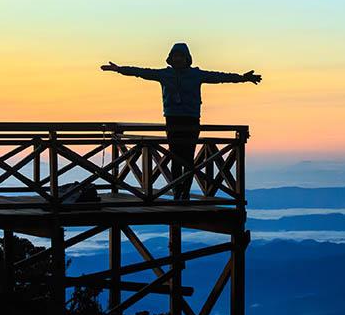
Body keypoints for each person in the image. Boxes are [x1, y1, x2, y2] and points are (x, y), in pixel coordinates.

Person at [101, 42, 260, 199]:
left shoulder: (196, 75)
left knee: (188, 158)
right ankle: (178, 191)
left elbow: (219, 77)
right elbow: (141, 72)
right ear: (171, 58)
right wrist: (119, 69)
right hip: (173, 120)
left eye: (180, 56)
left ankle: (185, 192)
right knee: (175, 157)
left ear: (187, 58)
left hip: (191, 120)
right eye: (175, 56)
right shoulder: (165, 74)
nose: (178, 59)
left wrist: (242, 78)